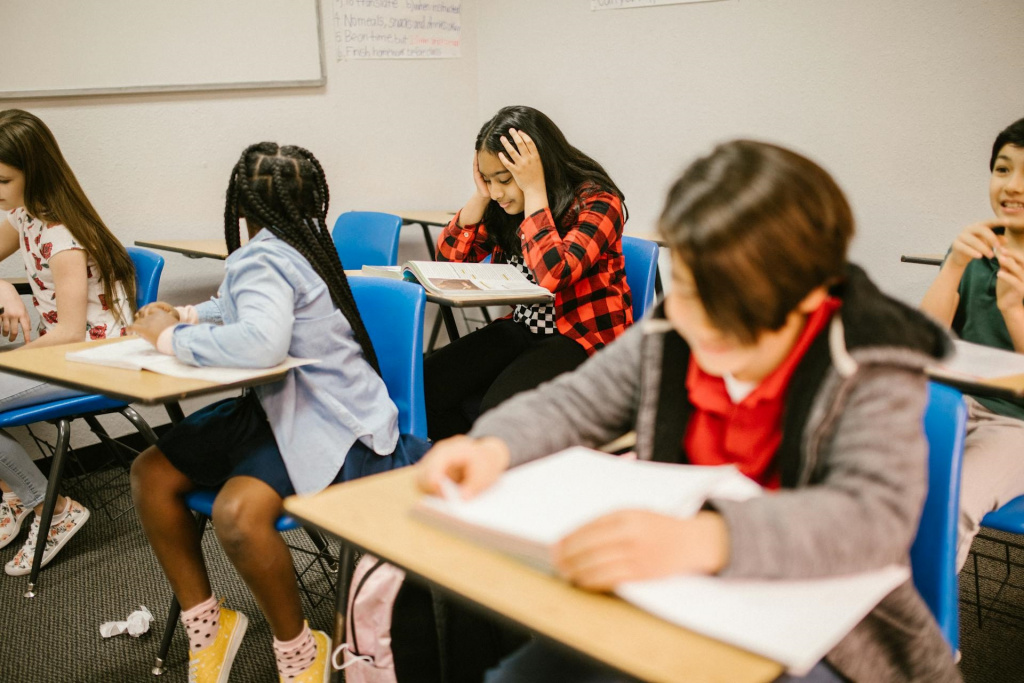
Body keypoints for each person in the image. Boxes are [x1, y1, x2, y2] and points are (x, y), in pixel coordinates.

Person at [418, 140, 960, 683]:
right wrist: (494, 445)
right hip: (672, 591)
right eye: (691, 288)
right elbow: (575, 402)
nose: (702, 322)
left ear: (811, 293)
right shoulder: (674, 331)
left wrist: (706, 538)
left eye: (735, 301)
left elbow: (872, 519)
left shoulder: (871, 360)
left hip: (825, 629)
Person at [129, 143, 431, 683]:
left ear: (240, 209)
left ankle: (299, 647)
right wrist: (192, 312)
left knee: (236, 514)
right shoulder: (294, 244)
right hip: (279, 405)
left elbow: (264, 342)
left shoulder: (264, 254)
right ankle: (211, 623)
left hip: (329, 420)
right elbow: (247, 304)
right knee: (151, 472)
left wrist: (170, 336)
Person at [424, 105, 633, 441]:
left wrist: (535, 191)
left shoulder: (597, 202)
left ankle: (496, 455)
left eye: (504, 180)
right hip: (524, 326)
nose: (496, 192)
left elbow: (554, 274)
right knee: (426, 385)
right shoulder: (501, 203)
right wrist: (480, 196)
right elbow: (446, 261)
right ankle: (477, 458)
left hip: (580, 337)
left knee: (500, 414)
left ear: (537, 167)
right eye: (488, 179)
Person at [0, 109, 137, 576]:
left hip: (95, 360)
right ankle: (16, 495)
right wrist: (3, 287)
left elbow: (70, 333)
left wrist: (11, 361)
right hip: (64, 353)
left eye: (2, 179)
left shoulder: (63, 238)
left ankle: (51, 508)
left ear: (32, 174)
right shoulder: (23, 216)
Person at [920, 117, 1024, 571]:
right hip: (957, 403)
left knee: (950, 507)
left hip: (1017, 426)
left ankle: (924, 640)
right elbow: (924, 343)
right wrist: (954, 266)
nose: (1012, 186)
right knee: (869, 476)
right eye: (1003, 169)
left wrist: (1014, 311)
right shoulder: (977, 249)